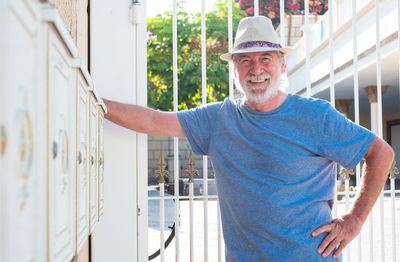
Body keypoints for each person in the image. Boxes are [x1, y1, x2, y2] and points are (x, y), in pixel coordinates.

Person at [104, 16, 394, 261]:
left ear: (281, 66)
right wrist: (95, 102)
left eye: (265, 59)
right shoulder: (217, 119)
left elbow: (380, 153)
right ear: (235, 71)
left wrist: (354, 221)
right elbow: (153, 119)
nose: (255, 69)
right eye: (245, 61)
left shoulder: (316, 116)